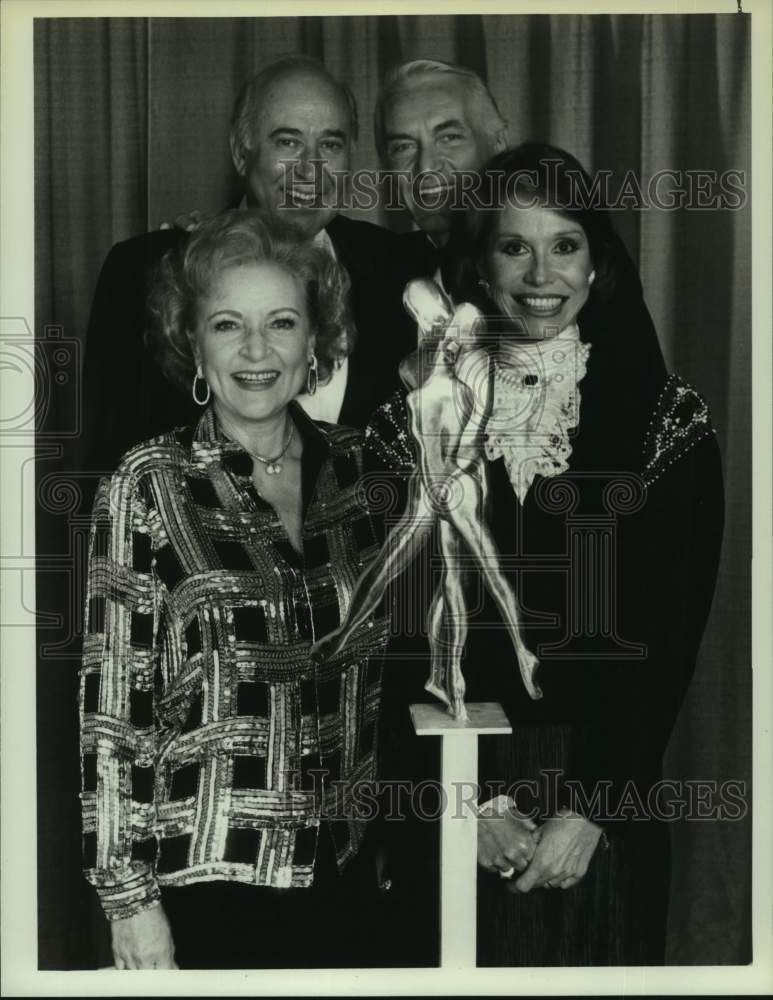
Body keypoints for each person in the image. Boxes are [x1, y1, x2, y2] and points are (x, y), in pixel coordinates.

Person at [363, 143, 724, 965]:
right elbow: (398, 640)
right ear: (478, 267)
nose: (540, 275)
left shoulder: (667, 423)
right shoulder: (409, 424)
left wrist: (591, 807)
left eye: (564, 245)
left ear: (597, 264)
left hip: (604, 807)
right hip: (451, 787)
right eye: (513, 246)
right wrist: (472, 800)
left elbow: (667, 639)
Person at [78, 210, 391, 970]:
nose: (256, 351)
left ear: (315, 341)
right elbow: (113, 716)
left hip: (347, 874)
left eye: (281, 323)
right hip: (208, 887)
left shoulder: (361, 472)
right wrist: (129, 903)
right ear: (193, 343)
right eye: (227, 325)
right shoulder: (148, 485)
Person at [82, 54, 413, 474]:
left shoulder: (396, 265)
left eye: (330, 145)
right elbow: (104, 466)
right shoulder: (144, 272)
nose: (310, 170)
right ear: (242, 154)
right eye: (288, 142)